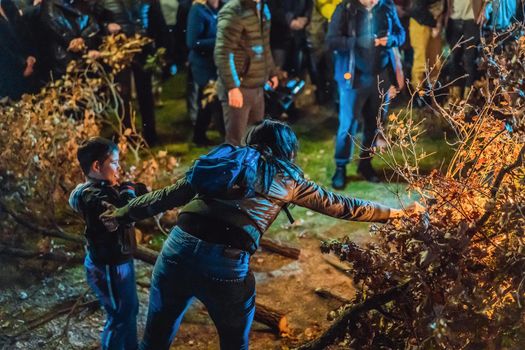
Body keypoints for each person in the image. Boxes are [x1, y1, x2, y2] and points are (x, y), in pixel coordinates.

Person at [100, 120, 425, 350]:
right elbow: (342, 205)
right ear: (287, 148)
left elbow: (167, 197)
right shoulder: (287, 176)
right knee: (234, 343)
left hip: (175, 252)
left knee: (154, 342)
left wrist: (121, 215)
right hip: (225, 267)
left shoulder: (223, 162)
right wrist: (394, 214)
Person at [69, 137, 147, 350]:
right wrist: (129, 192)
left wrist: (133, 188)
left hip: (121, 261)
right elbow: (124, 211)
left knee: (130, 310)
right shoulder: (93, 196)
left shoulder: (107, 187)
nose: (118, 167)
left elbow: (137, 196)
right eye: (114, 162)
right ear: (96, 166)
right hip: (109, 266)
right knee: (119, 315)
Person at [326, 0, 405, 188]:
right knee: (348, 124)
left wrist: (391, 40)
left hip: (380, 76)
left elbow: (401, 34)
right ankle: (341, 166)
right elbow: (331, 41)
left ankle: (365, 164)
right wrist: (357, 41)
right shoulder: (345, 8)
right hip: (353, 77)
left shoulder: (386, 6)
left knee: (375, 123)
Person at [214, 0, 279, 145]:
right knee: (235, 143)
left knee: (255, 140)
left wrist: (271, 72)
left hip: (256, 87)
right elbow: (223, 52)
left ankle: (251, 168)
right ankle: (233, 168)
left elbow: (263, 45)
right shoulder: (234, 11)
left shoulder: (262, 8)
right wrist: (232, 87)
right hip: (240, 88)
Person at [95, 0, 159, 146]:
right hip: (119, 50)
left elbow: (155, 17)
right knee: (123, 95)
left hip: (142, 48)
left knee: (145, 94)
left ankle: (150, 135)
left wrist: (157, 43)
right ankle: (127, 136)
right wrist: (106, 26)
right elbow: (93, 19)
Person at [186, 0, 223, 145]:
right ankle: (201, 135)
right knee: (209, 98)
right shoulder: (198, 10)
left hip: (216, 62)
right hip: (203, 64)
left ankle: (200, 135)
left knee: (210, 100)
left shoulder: (223, 7)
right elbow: (192, 42)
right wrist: (219, 41)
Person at [445, 0, 484, 102]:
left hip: (472, 19)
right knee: (454, 57)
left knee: (469, 58)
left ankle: (468, 96)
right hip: (454, 18)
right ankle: (455, 94)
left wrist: (483, 11)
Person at [409, 0, 445, 104]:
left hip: (434, 22)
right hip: (420, 21)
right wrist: (435, 24)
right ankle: (418, 95)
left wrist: (438, 23)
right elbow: (417, 7)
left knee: (435, 62)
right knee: (420, 61)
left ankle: (433, 95)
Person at [0, 0, 37, 100]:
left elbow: (22, 30)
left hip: (30, 65)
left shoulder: (6, 3)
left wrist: (31, 56)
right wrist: (22, 69)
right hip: (10, 80)